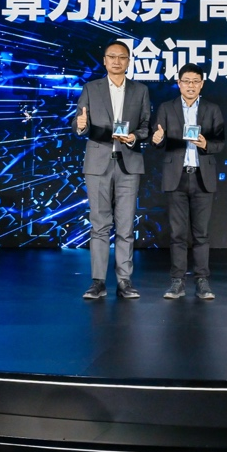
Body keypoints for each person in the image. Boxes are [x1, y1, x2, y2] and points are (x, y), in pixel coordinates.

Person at [74, 41, 151, 300]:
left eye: (122, 57)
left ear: (129, 61)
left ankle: (124, 281)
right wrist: (81, 125)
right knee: (99, 225)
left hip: (129, 162)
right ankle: (98, 282)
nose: (117, 61)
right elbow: (79, 122)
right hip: (98, 163)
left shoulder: (140, 90)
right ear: (104, 60)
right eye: (112, 57)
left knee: (126, 226)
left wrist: (134, 136)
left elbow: (146, 125)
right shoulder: (91, 88)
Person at [150, 63, 226, 300]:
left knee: (201, 234)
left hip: (202, 177)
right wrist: (157, 139)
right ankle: (177, 281)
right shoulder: (167, 108)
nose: (191, 85)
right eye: (186, 81)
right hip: (177, 177)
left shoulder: (212, 109)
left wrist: (206, 144)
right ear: (179, 83)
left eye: (195, 81)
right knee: (178, 234)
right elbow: (158, 140)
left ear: (201, 84)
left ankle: (202, 281)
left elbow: (221, 143)